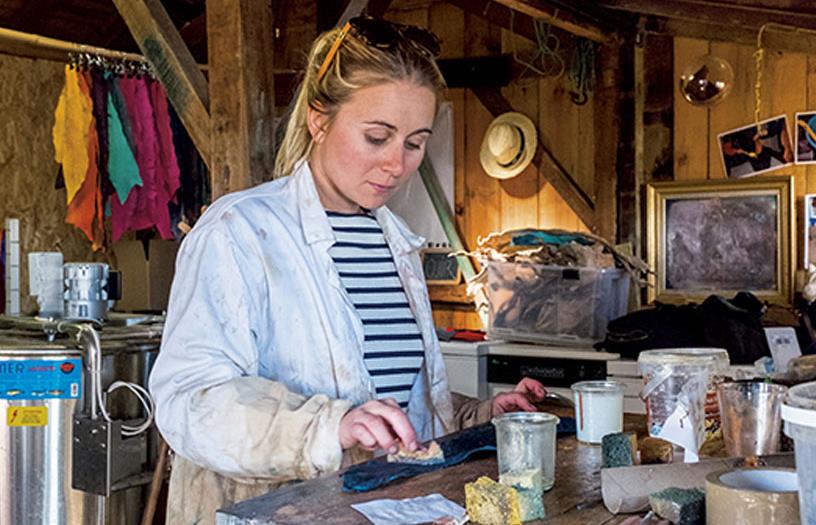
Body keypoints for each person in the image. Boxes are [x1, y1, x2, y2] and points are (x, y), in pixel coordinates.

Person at [149, 16, 546, 524]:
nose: (397, 164)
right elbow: (188, 403)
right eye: (377, 137)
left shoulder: (396, 244)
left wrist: (480, 416)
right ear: (319, 121)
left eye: (414, 142)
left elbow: (394, 403)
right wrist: (326, 426)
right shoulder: (239, 232)